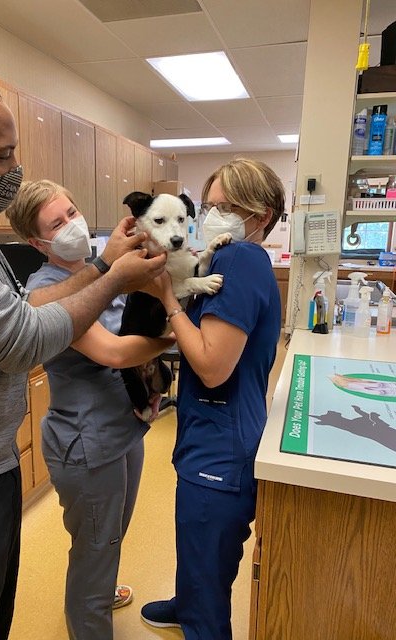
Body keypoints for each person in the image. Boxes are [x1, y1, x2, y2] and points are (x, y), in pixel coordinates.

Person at [0, 65, 166, 640]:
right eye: (1, 157)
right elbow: (23, 336)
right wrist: (126, 290)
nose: (13, 171)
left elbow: (21, 306)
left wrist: (104, 268)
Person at [6, 179, 175, 640]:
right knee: (95, 546)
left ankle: (95, 591)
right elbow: (115, 352)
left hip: (124, 429)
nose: (71, 225)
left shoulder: (103, 272)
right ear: (37, 242)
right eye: (56, 223)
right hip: (86, 441)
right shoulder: (51, 288)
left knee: (110, 536)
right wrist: (178, 338)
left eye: (72, 211)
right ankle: (89, 617)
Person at [140, 158, 285, 639]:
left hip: (220, 449)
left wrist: (166, 297)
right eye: (208, 205)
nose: (211, 216)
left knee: (208, 559)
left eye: (226, 207)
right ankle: (187, 601)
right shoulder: (227, 258)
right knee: (198, 547)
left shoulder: (240, 260)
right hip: (216, 430)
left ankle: (199, 616)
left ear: (261, 215)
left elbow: (211, 363)